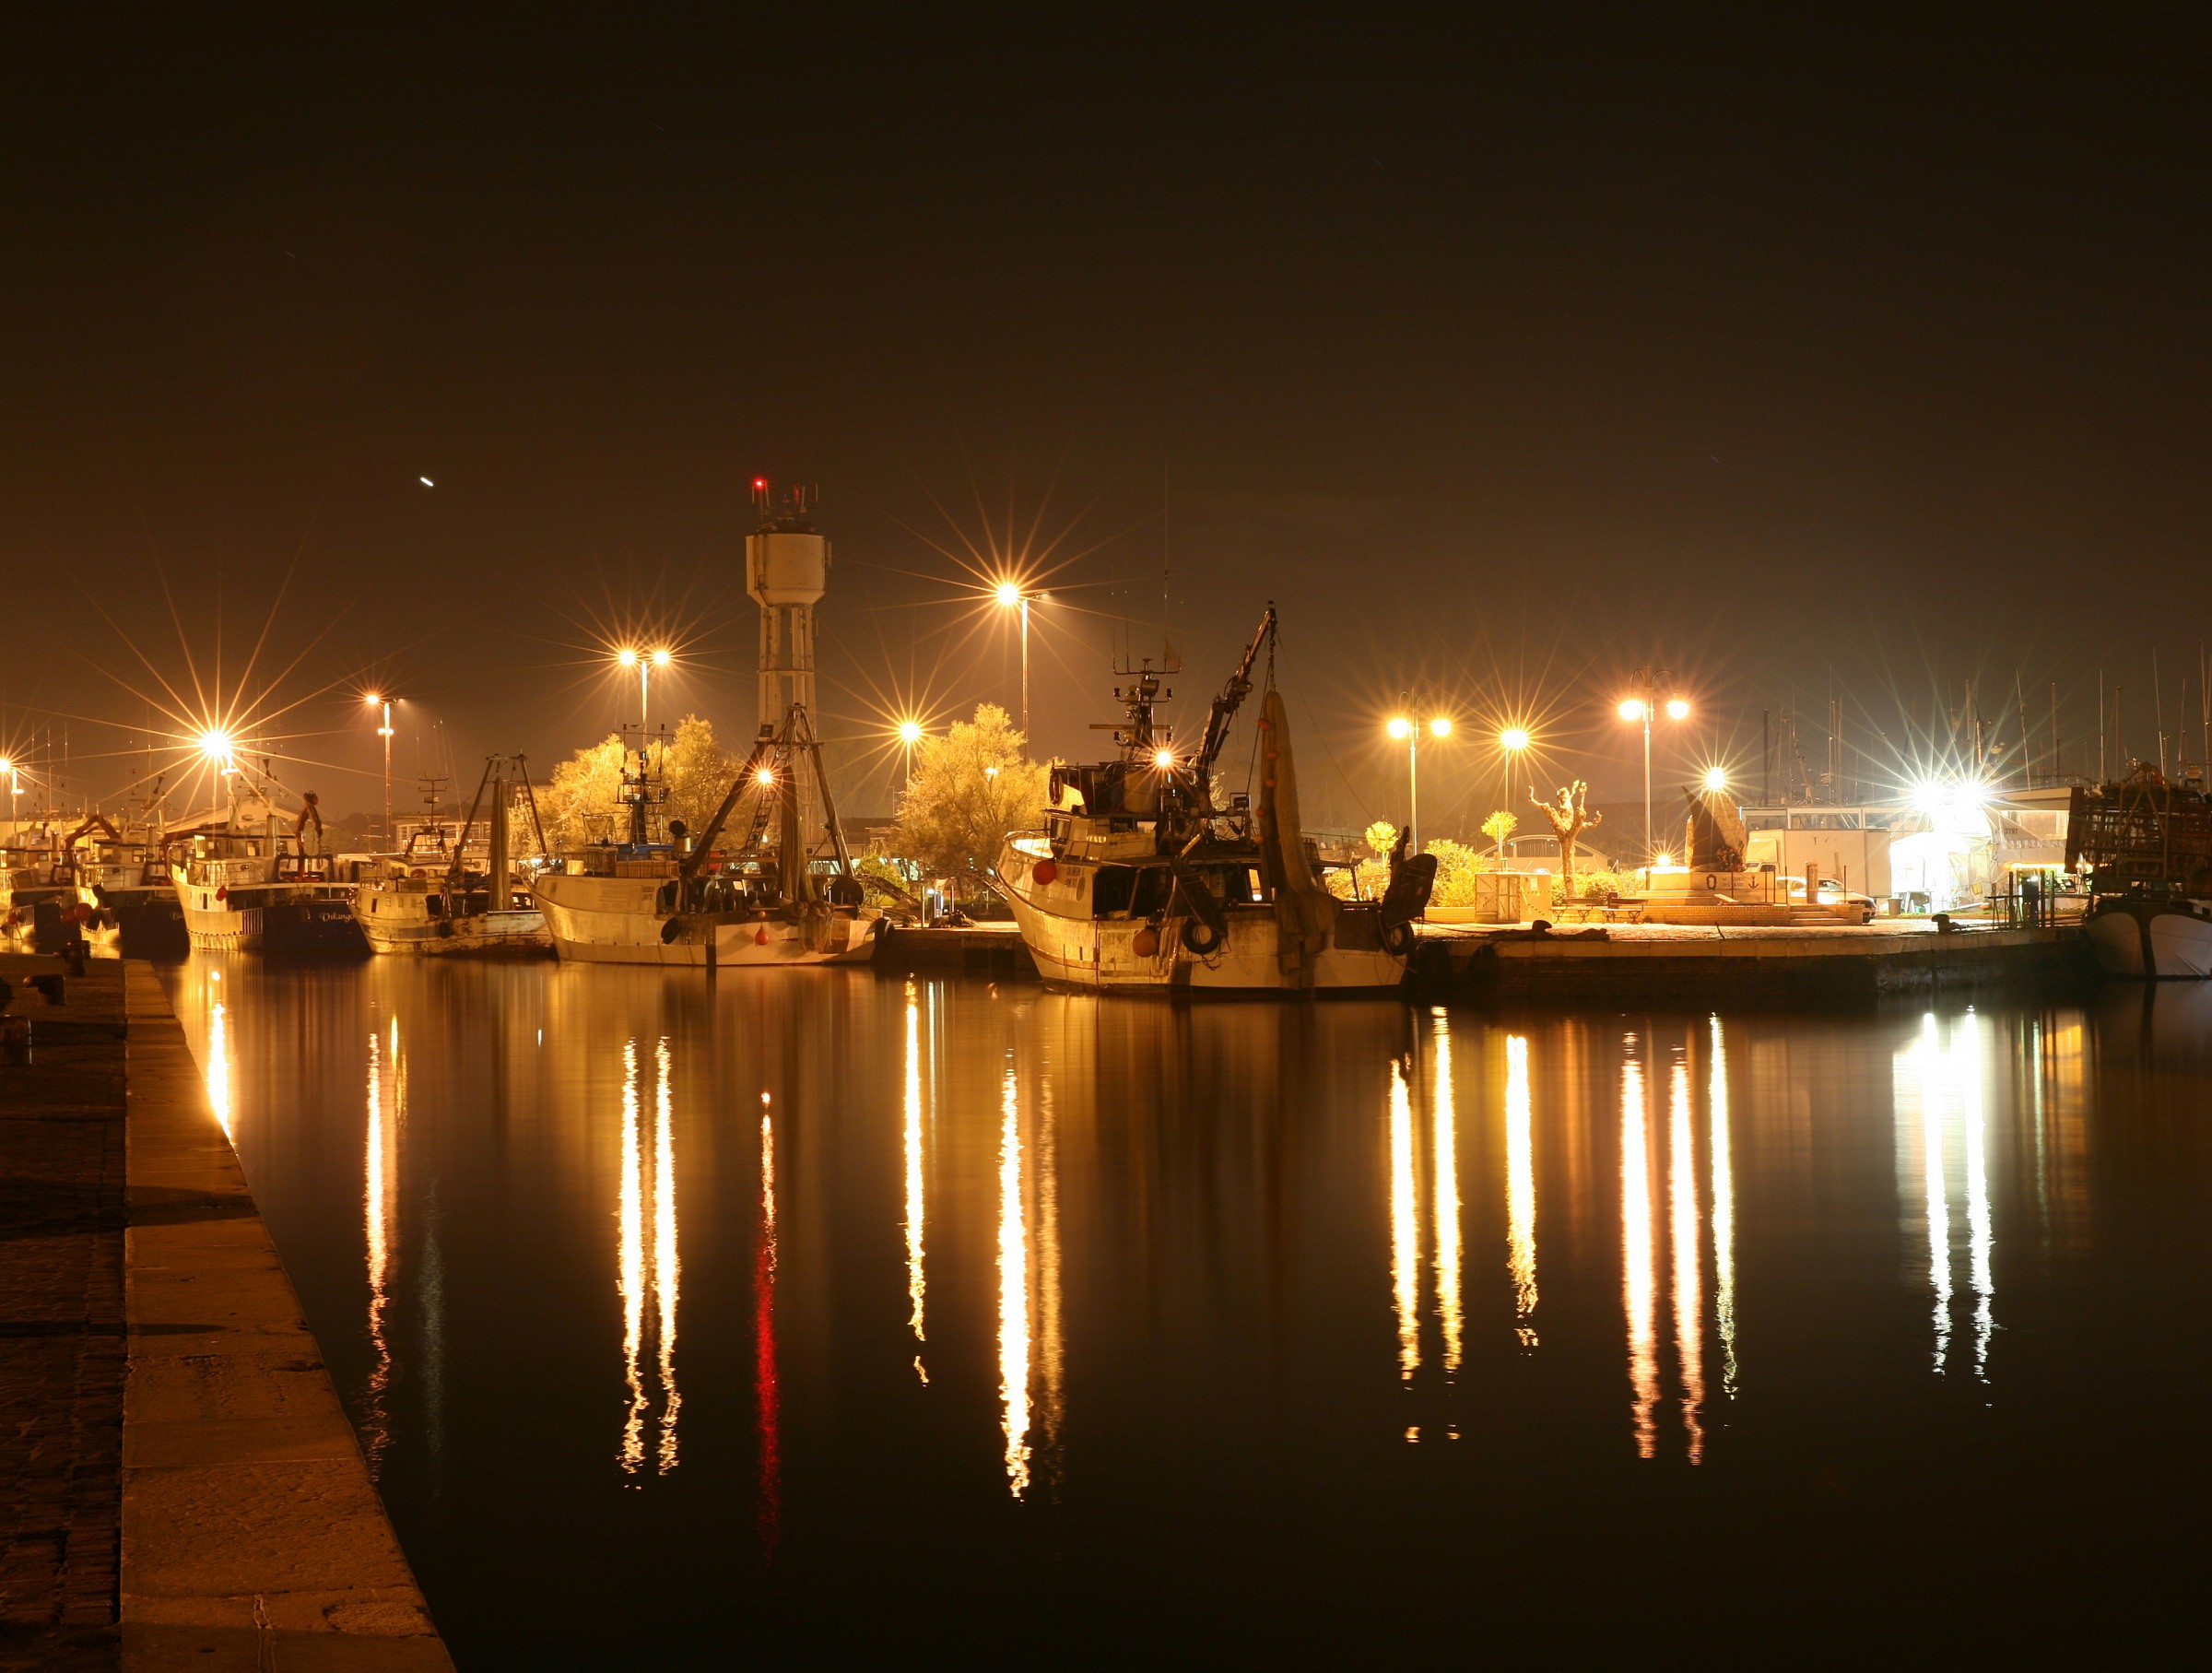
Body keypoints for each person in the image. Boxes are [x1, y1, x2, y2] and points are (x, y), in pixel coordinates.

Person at [294, 791, 324, 856]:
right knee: (300, 842)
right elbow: (314, 818)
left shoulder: (309, 806)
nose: (317, 801)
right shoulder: (309, 807)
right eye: (316, 799)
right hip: (299, 829)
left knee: (300, 841)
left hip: (299, 829)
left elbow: (316, 818)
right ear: (312, 799)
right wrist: (318, 828)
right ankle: (301, 856)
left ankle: (301, 855)